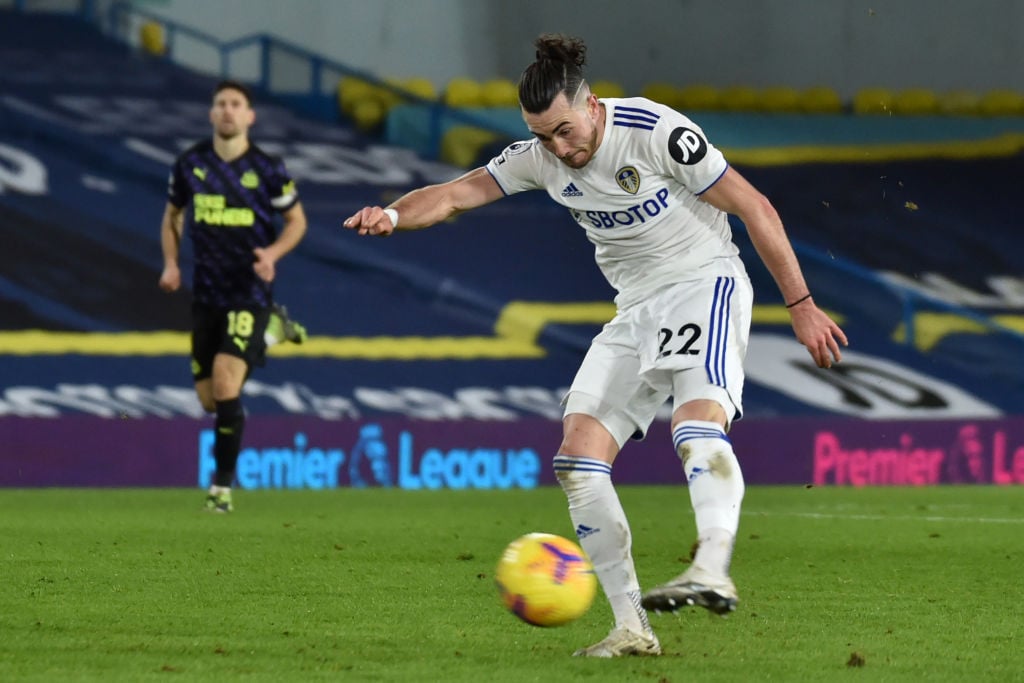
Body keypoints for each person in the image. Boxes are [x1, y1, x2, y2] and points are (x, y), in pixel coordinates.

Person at [343, 34, 848, 657]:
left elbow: (754, 205)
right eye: (543, 136)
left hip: (703, 281)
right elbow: (454, 194)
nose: (559, 147)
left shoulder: (656, 131)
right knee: (577, 459)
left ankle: (712, 567)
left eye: (564, 129)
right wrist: (392, 215)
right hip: (635, 308)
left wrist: (800, 306)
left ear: (590, 103)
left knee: (693, 426)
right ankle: (632, 625)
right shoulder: (540, 156)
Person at [158, 79, 309, 513]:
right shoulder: (190, 164)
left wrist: (274, 254)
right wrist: (170, 264)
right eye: (220, 103)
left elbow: (296, 221)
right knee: (210, 400)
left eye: (236, 104)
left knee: (226, 381)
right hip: (206, 293)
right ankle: (272, 334)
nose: (227, 110)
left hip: (249, 290)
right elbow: (172, 216)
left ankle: (220, 490)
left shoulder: (268, 168)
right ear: (211, 114)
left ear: (249, 116)